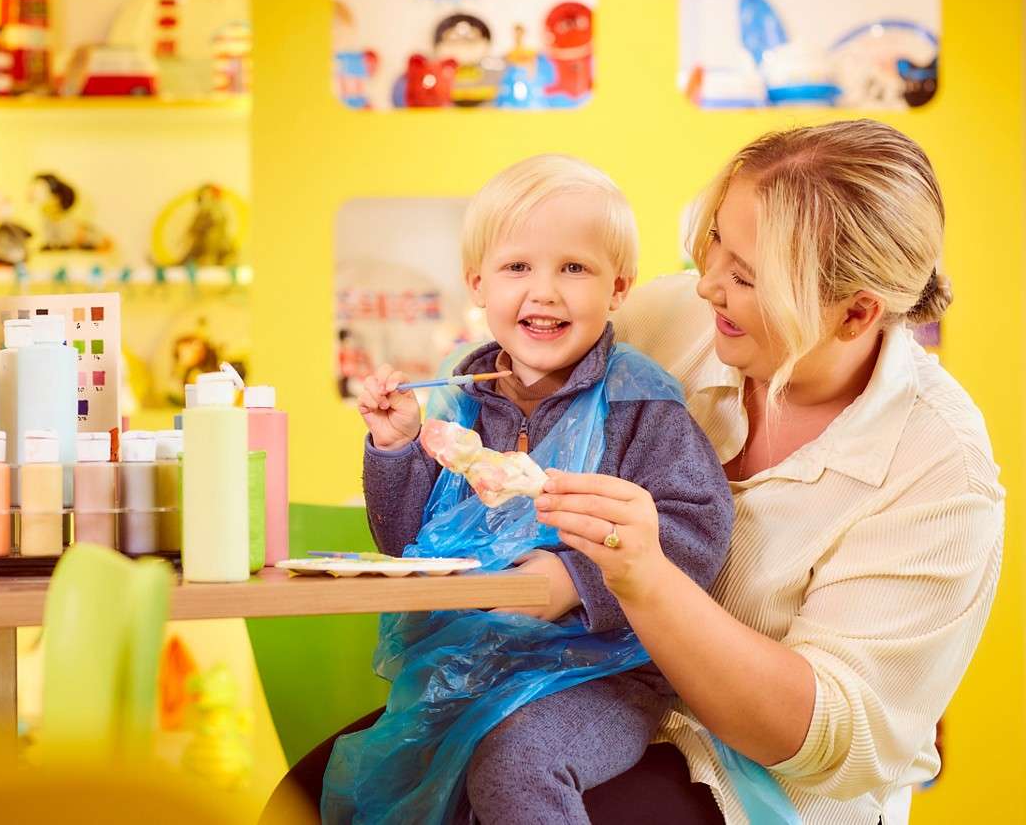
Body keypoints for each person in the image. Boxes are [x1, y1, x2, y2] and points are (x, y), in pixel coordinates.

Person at [265, 120, 1004, 825]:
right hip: (540, 677)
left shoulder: (941, 474)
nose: (708, 285)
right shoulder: (672, 319)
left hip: (755, 775)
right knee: (311, 794)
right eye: (713, 244)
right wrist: (414, 444)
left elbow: (832, 742)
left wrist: (631, 577)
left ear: (854, 313)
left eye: (746, 277)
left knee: (508, 783)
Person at [334, 154, 734, 823]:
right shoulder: (459, 403)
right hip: (474, 664)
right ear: (479, 286)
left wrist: (576, 579)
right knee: (374, 781)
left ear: (619, 289)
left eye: (573, 268)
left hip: (604, 672)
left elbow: (696, 533)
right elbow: (410, 543)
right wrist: (398, 445)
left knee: (516, 764)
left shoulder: (642, 405)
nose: (544, 292)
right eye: (518, 267)